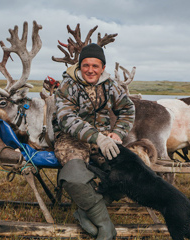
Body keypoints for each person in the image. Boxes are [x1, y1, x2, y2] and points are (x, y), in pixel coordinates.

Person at [53, 43, 135, 240]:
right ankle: (105, 225)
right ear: (80, 66)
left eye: (95, 66)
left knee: (129, 173)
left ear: (103, 68)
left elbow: (127, 110)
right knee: (74, 175)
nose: (90, 70)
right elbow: (66, 119)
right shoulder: (68, 85)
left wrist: (117, 133)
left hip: (104, 139)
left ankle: (85, 211)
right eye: (86, 65)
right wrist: (98, 137)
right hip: (71, 138)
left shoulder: (111, 86)